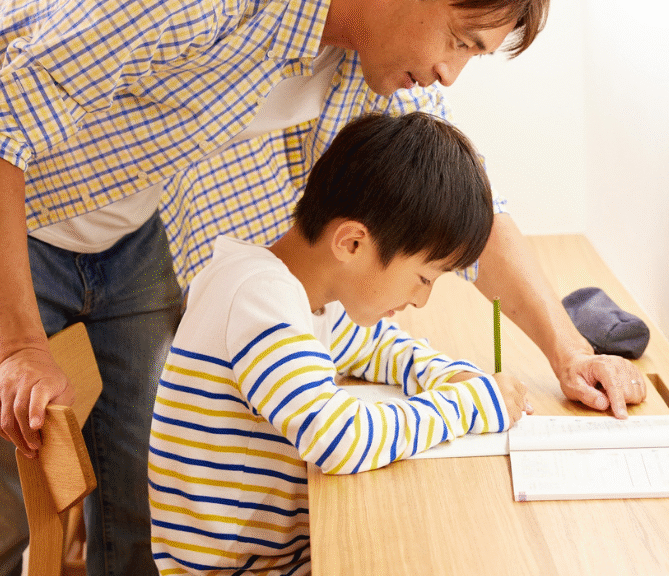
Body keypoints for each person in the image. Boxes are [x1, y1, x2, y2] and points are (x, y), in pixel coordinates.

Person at [0, 0, 645, 573]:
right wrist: (20, 349)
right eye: (458, 41)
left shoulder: (375, 56)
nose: (450, 70)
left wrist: (569, 352)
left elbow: (459, 215)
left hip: (133, 237)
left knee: (136, 518)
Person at [149, 111, 527, 573]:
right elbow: (339, 438)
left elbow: (378, 347)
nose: (422, 300)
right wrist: (471, 405)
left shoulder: (307, 296)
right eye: (423, 278)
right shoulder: (260, 298)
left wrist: (451, 376)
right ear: (352, 244)